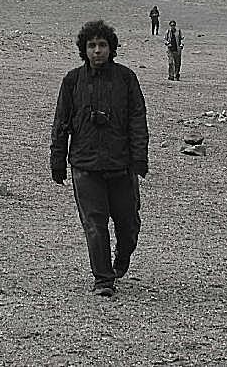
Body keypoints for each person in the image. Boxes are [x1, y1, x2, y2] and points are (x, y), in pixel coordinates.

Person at [50, 19, 149, 298]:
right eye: (91, 46)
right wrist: (57, 160)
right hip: (85, 165)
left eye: (102, 45)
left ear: (111, 48)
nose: (97, 51)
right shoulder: (72, 81)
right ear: (84, 49)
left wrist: (139, 158)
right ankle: (103, 279)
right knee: (94, 224)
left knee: (128, 225)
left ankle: (122, 257)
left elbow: (137, 120)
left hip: (121, 165)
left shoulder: (126, 79)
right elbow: (61, 123)